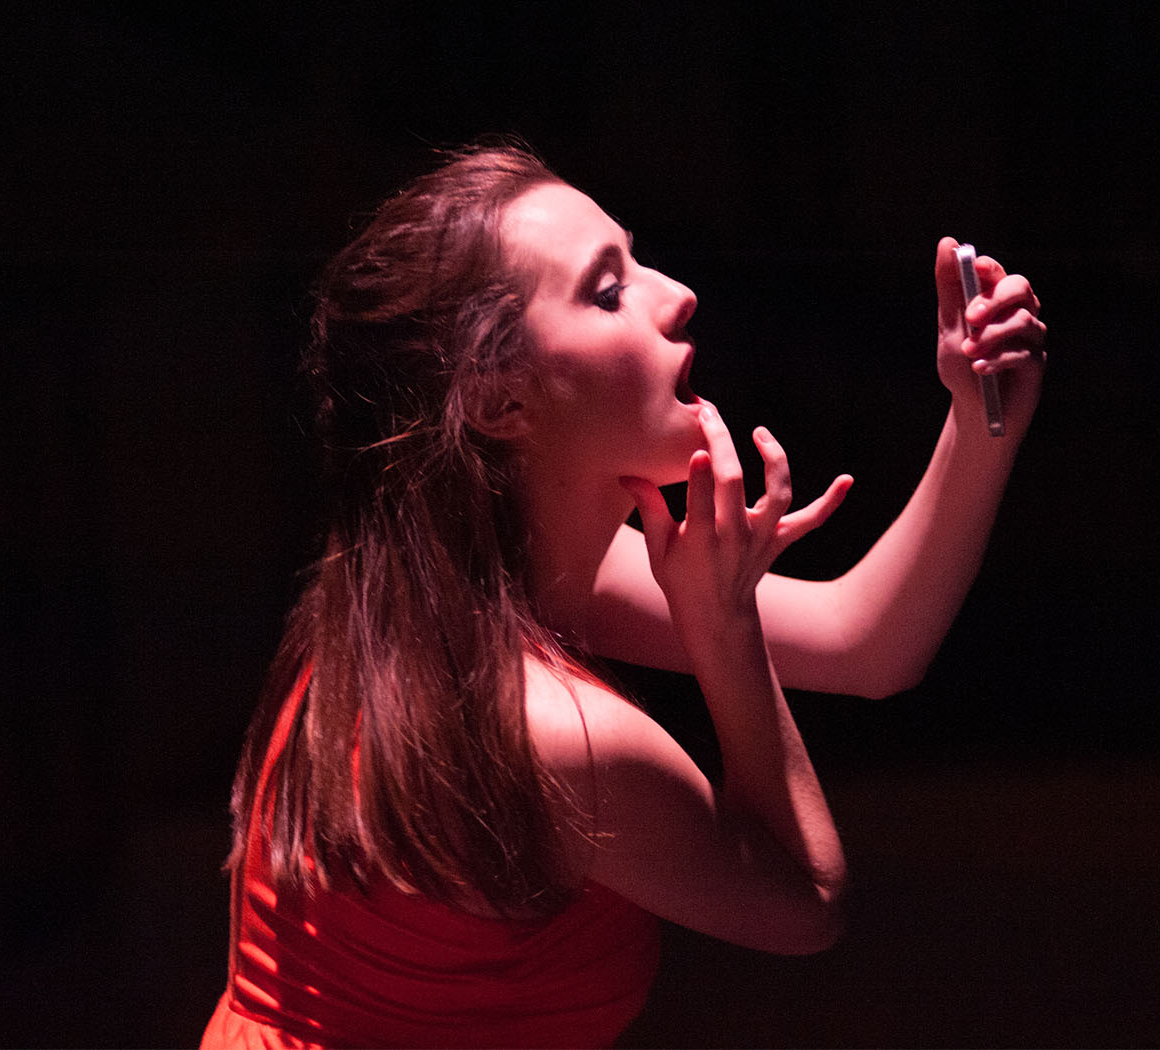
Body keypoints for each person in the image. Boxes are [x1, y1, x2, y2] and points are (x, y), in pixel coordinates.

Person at [201, 141, 1045, 1048]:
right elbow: (807, 904)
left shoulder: (453, 579)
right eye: (607, 292)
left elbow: (867, 643)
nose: (675, 292)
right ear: (499, 400)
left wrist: (982, 421)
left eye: (635, 259)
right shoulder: (547, 732)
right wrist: (720, 626)